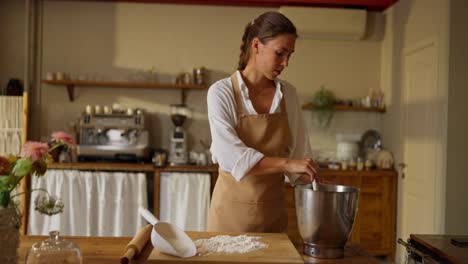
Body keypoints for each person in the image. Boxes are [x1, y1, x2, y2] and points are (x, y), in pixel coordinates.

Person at [206, 11, 319, 233]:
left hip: (273, 219)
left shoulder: (289, 95)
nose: (286, 63)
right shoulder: (221, 92)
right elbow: (230, 156)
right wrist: (287, 164)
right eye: (280, 53)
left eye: (290, 55)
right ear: (256, 45)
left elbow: (299, 155)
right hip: (228, 220)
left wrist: (313, 185)